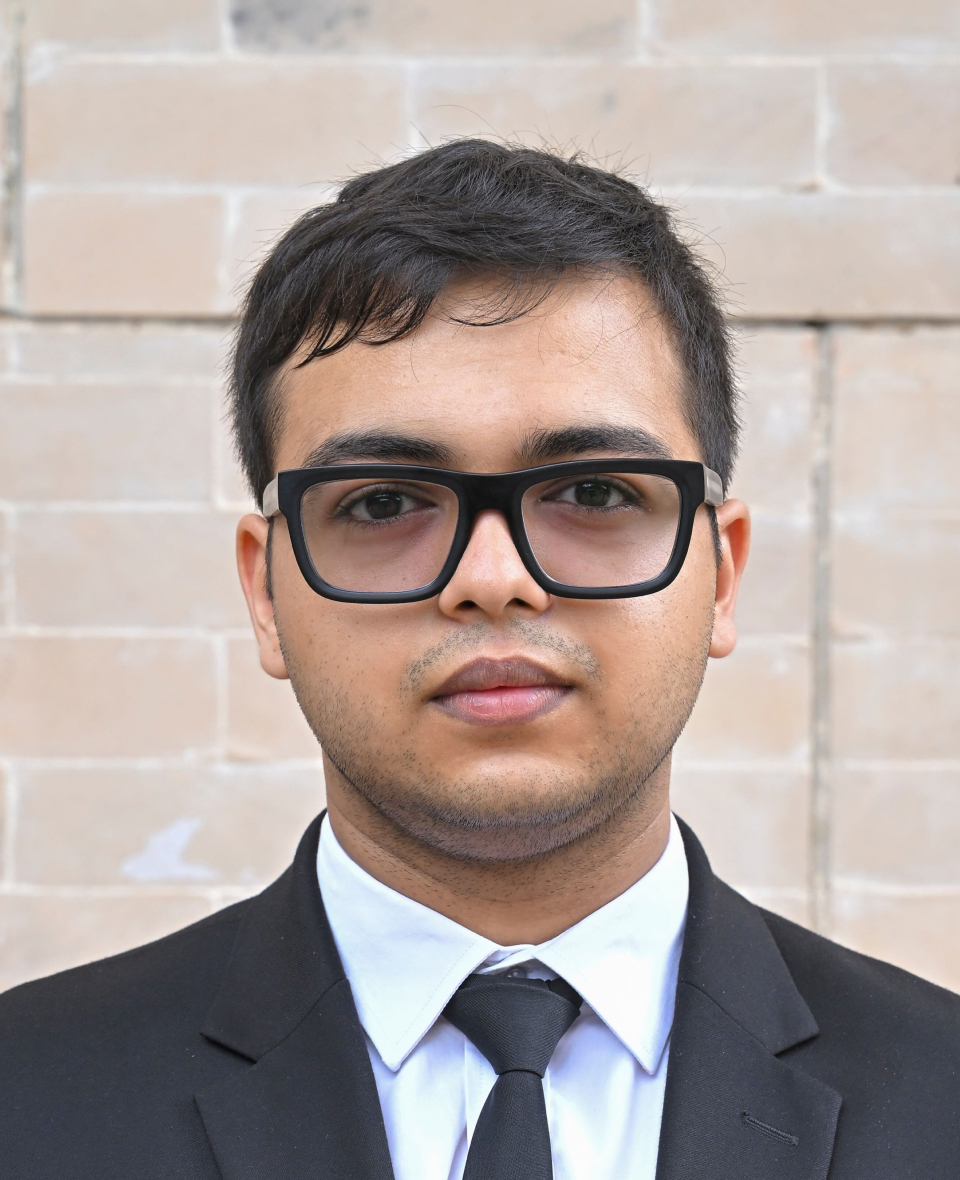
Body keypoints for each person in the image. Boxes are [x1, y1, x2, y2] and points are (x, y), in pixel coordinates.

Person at [1, 140, 957, 1180]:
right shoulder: (29, 1097)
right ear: (266, 593)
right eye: (382, 503)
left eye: (594, 492)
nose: (493, 579)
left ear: (720, 575)